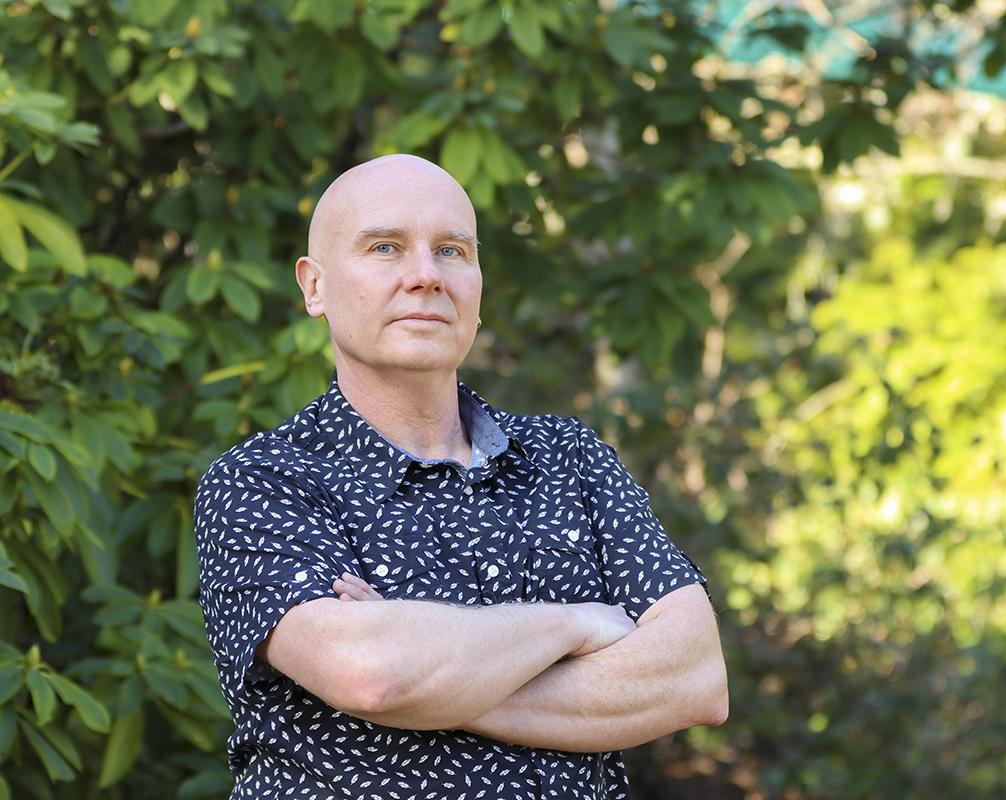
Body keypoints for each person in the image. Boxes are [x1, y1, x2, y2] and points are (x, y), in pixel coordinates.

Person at [191, 154, 728, 800]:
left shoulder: (571, 457)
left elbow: (695, 678)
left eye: (451, 251)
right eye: (385, 247)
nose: (425, 276)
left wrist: (438, 678)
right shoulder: (262, 484)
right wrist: (577, 624)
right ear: (314, 286)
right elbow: (374, 677)